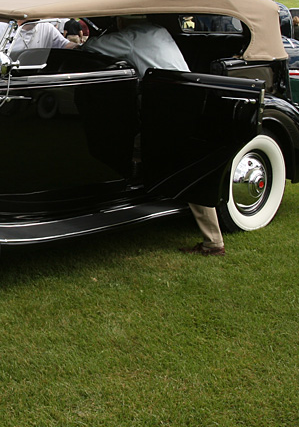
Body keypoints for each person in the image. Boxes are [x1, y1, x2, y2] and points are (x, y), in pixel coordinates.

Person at [80, 17, 225, 255]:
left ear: (123, 21)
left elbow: (90, 48)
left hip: (169, 105)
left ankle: (213, 242)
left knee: (186, 169)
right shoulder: (158, 30)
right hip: (187, 98)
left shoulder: (130, 39)